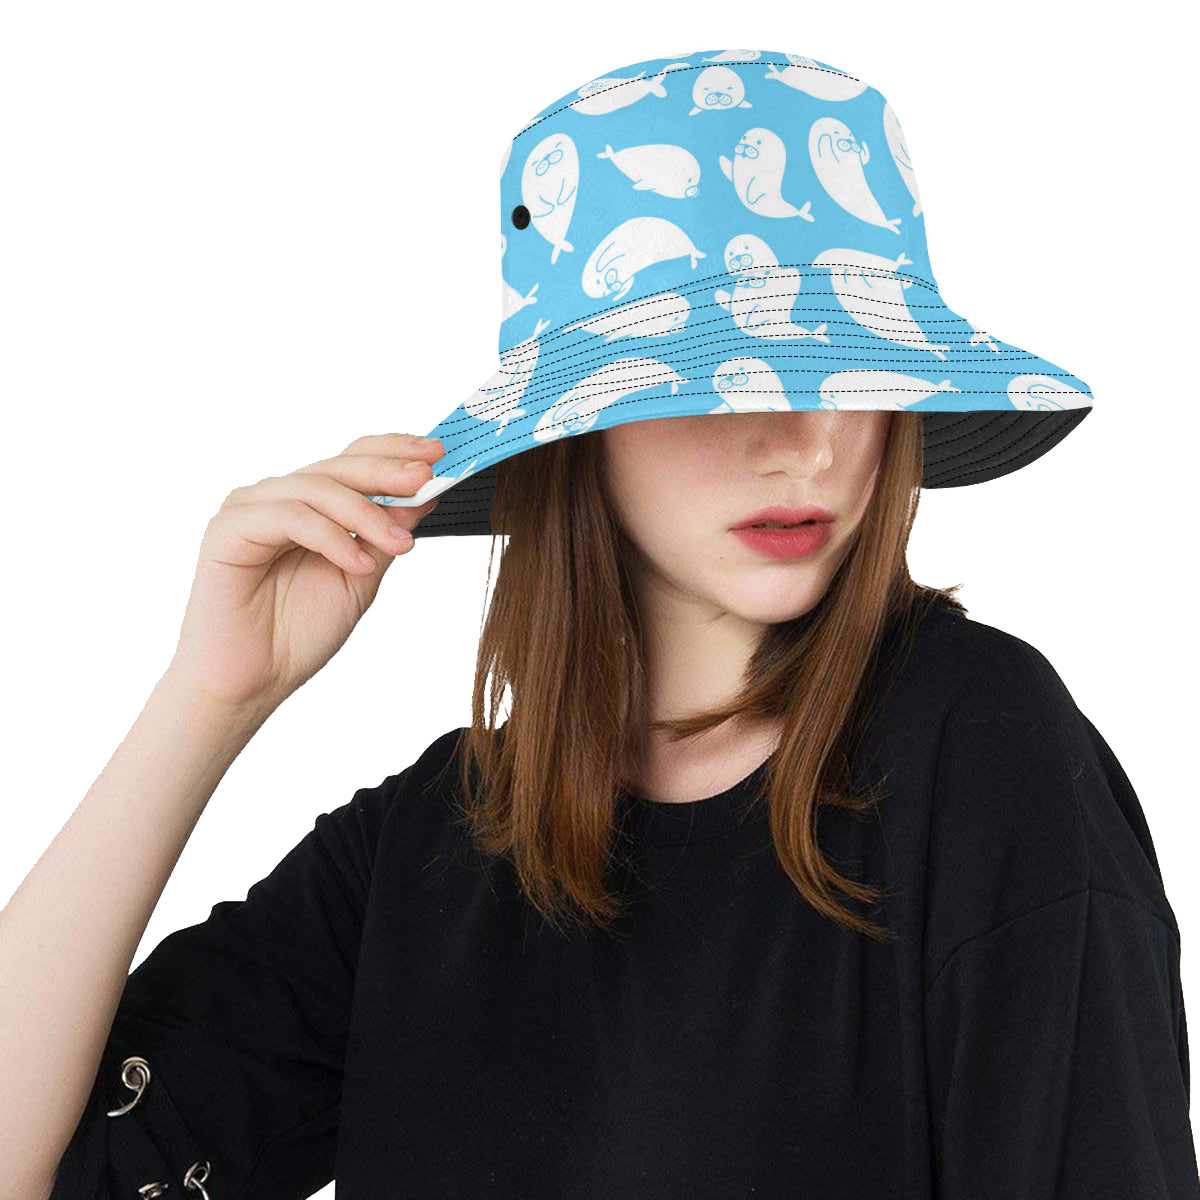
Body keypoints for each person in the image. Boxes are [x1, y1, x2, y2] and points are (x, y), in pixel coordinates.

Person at [5, 44, 1197, 1199]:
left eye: (846, 370)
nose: (808, 440)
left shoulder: (981, 751)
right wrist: (209, 699)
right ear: (577, 428)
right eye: (722, 376)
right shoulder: (435, 847)